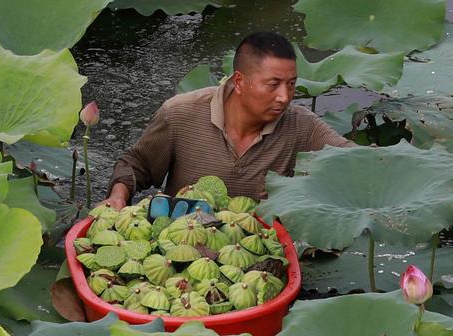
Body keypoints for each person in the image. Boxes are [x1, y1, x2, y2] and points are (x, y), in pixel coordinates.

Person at [102, 31, 356, 210]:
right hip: (180, 240)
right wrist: (118, 195)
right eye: (273, 84)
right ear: (239, 82)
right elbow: (136, 165)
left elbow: (355, 159)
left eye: (291, 84)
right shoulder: (180, 113)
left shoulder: (302, 125)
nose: (284, 97)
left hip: (255, 250)